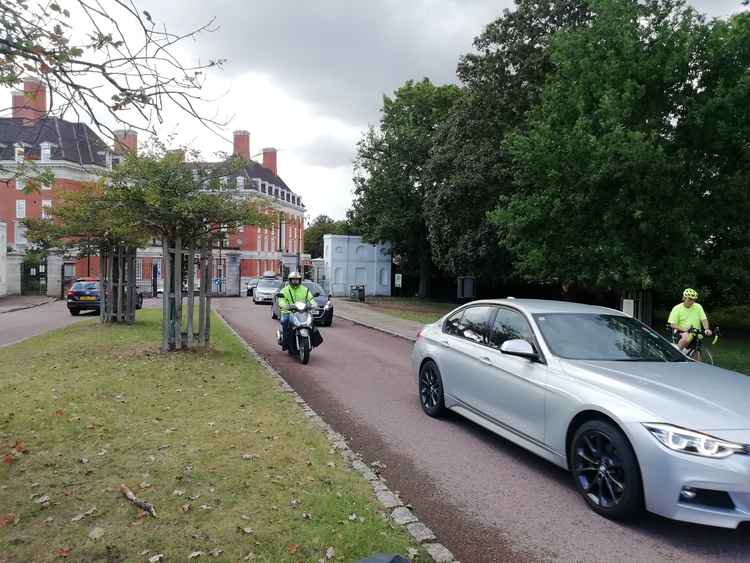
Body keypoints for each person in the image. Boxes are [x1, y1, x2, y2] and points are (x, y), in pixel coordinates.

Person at [668, 288, 712, 359]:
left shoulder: (698, 306)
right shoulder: (677, 308)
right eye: (690, 299)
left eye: (693, 300)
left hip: (695, 333)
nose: (691, 302)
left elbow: (704, 319)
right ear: (684, 298)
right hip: (681, 332)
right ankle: (674, 356)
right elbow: (672, 324)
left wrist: (706, 329)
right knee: (686, 337)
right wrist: (685, 329)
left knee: (696, 359)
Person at [277, 271, 316, 351]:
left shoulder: (305, 290)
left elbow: (311, 298)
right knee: (285, 321)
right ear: (290, 280)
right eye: (293, 280)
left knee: (311, 321)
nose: (295, 281)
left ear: (300, 280)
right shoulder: (284, 290)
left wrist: (313, 304)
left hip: (301, 311)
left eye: (297, 280)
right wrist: (285, 305)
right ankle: (285, 341)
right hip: (288, 311)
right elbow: (281, 300)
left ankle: (313, 341)